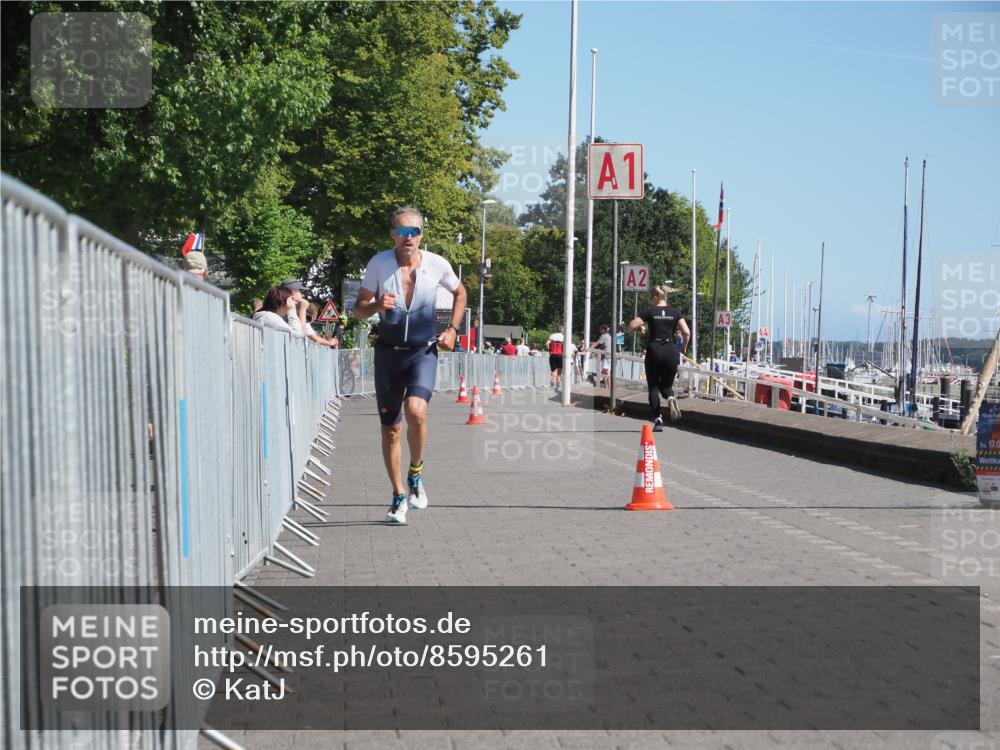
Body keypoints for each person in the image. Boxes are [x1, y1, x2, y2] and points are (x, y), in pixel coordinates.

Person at [353, 206, 467, 525]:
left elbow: (461, 293)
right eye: (402, 232)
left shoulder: (436, 265)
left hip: (422, 350)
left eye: (414, 232)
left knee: (417, 411)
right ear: (393, 234)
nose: (409, 238)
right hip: (388, 353)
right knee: (391, 430)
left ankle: (415, 471)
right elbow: (358, 311)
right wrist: (376, 304)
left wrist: (452, 329)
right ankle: (398, 495)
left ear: (421, 235)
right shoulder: (379, 264)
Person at [628, 285, 690, 431]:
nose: (651, 300)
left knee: (653, 388)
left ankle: (658, 420)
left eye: (651, 297)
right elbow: (686, 332)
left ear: (656, 296)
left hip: (654, 349)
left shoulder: (649, 312)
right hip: (670, 350)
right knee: (667, 386)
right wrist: (684, 347)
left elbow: (631, 326)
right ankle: (670, 398)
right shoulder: (675, 312)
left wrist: (640, 328)